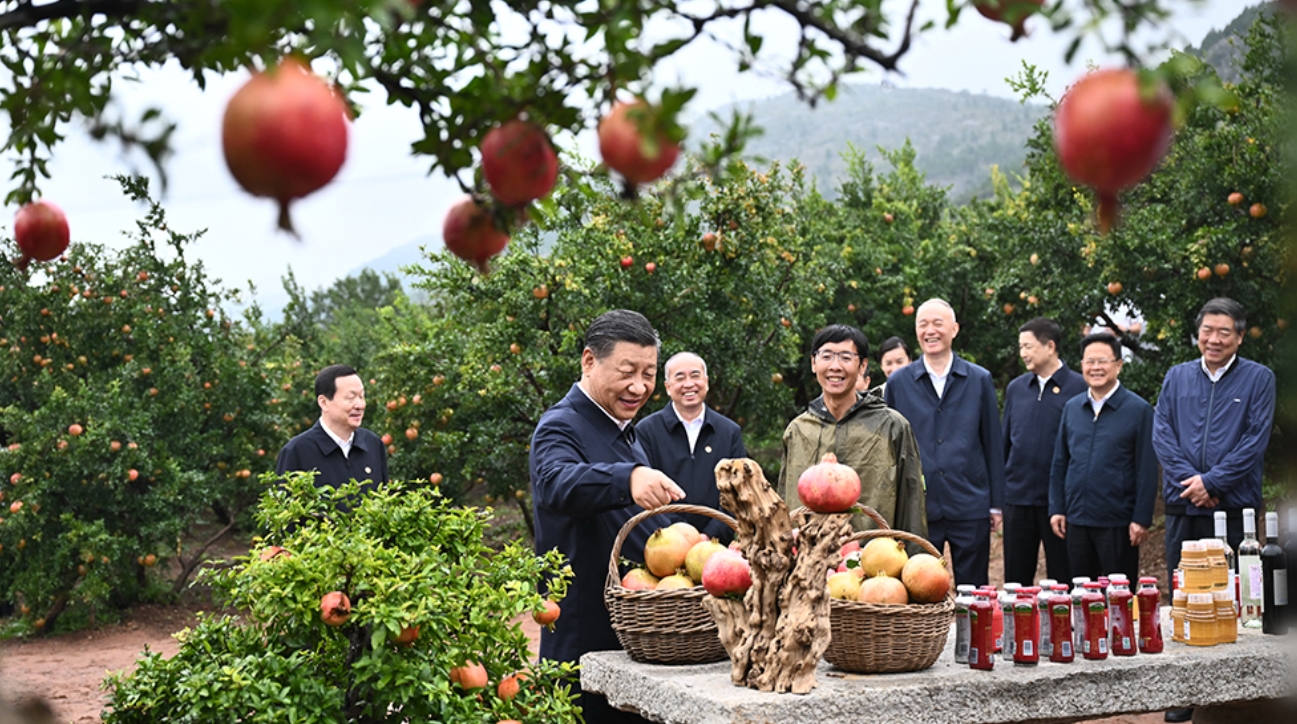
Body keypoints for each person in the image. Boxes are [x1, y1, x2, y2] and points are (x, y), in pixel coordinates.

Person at [529, 310, 683, 724]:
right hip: (585, 639)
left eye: (649, 374)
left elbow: (632, 525)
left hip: (631, 632)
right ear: (589, 361)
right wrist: (627, 476)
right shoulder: (560, 426)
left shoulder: (624, 430)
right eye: (627, 371)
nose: (639, 387)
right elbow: (556, 482)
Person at [885, 299, 1004, 587]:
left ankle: (973, 634)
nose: (930, 331)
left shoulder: (978, 379)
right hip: (918, 504)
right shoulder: (899, 383)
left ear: (954, 329)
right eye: (922, 325)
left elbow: (993, 442)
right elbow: (889, 449)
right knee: (917, 585)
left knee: (974, 589)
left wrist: (996, 504)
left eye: (937, 323)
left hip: (969, 499)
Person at [778, 325, 926, 537]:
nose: (835, 366)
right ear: (813, 363)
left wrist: (911, 561)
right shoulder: (798, 430)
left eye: (846, 358)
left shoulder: (892, 427)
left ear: (862, 366)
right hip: (807, 560)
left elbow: (912, 503)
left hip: (874, 558)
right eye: (826, 356)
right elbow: (785, 501)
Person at [1048, 333, 1156, 584]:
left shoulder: (1138, 410)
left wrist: (1141, 518)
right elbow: (1060, 462)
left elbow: (1146, 469)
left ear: (1119, 365)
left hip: (1117, 522)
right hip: (1076, 519)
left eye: (1103, 361)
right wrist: (1057, 508)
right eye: (1089, 361)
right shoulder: (1073, 408)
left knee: (1117, 597)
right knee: (1082, 594)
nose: (1095, 367)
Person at [1001, 317, 1087, 586]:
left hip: (1060, 502)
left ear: (1050, 346)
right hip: (1018, 497)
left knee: (1064, 577)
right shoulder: (1016, 389)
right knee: (1016, 578)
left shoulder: (1079, 387)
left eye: (1028, 346)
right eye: (1020, 347)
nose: (1023, 353)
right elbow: (1006, 443)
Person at [637, 352, 747, 544]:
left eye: (695, 376)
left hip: (718, 547)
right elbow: (645, 493)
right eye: (680, 378)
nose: (689, 384)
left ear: (706, 382)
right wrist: (683, 539)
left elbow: (739, 492)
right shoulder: (646, 431)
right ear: (668, 387)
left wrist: (709, 536)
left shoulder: (729, 432)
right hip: (663, 545)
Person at [275, 364, 388, 492]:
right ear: (324, 403)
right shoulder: (297, 451)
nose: (360, 405)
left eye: (361, 396)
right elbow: (286, 508)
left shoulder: (372, 444)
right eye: (351, 398)